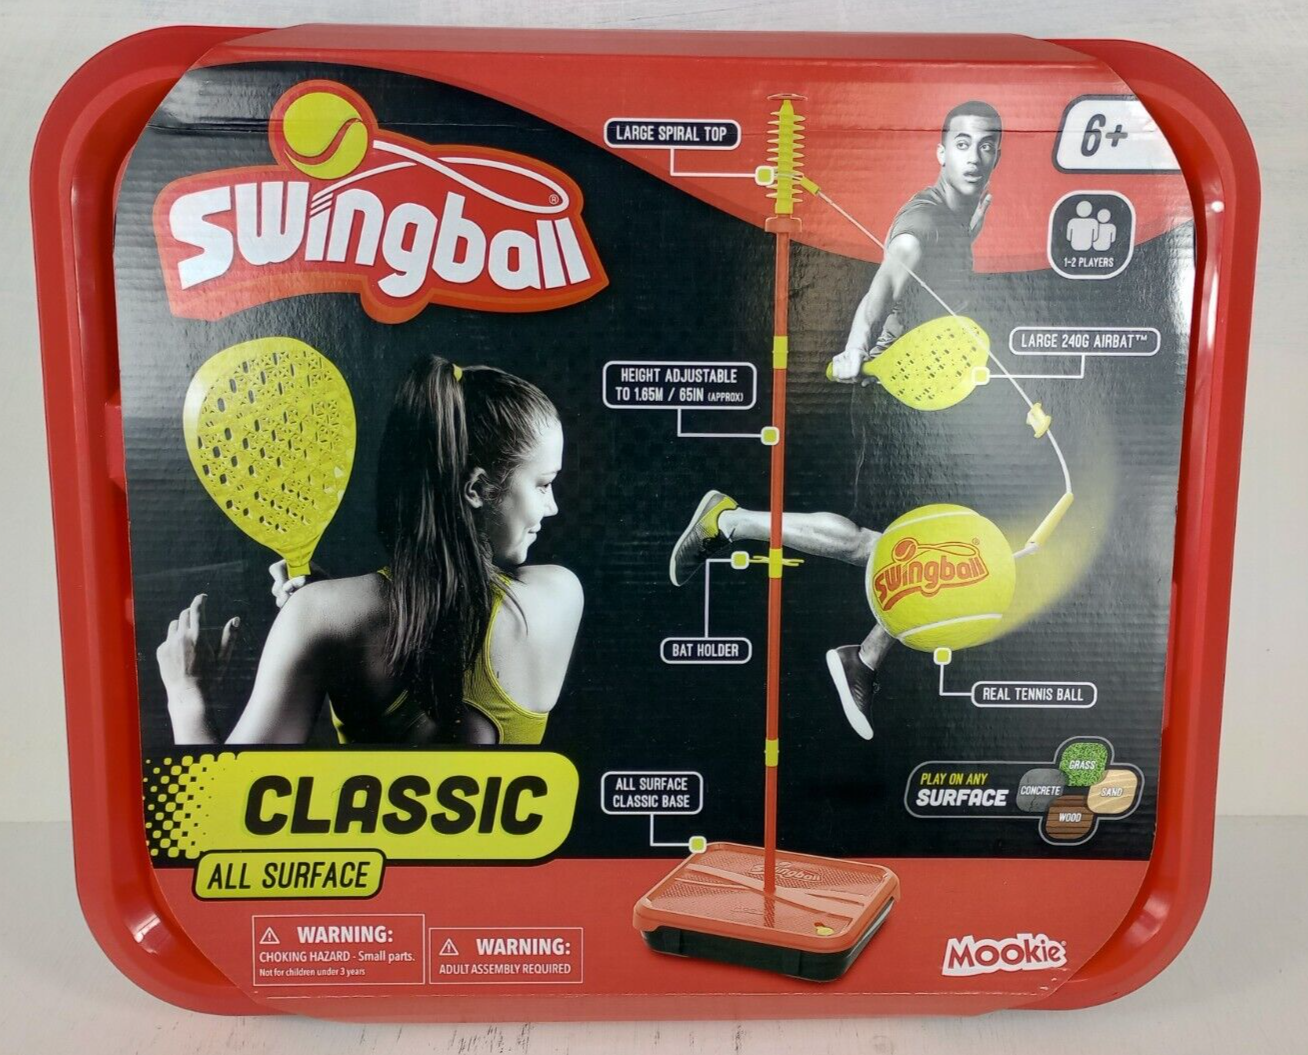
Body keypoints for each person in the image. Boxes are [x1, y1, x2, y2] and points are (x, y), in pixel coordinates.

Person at [674, 101, 1003, 741]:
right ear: (940, 152)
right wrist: (855, 347)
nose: (975, 155)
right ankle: (730, 523)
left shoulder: (963, 212)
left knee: (941, 549)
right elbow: (884, 287)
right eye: (962, 143)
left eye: (987, 144)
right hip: (892, 397)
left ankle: (864, 657)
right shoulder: (922, 223)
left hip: (931, 400)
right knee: (892, 550)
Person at [157, 355, 583, 746]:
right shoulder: (560, 596)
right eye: (543, 485)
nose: (552, 507)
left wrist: (186, 695)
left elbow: (222, 799)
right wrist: (324, 607)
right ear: (474, 489)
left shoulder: (320, 617)